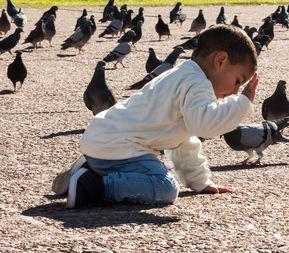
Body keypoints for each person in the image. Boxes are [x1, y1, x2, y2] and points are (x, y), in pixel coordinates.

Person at [54, 24, 259, 208]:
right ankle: (91, 185)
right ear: (220, 61)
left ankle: (89, 170)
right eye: (238, 81)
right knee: (164, 188)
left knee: (154, 174)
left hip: (103, 142)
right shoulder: (196, 84)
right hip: (120, 148)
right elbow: (205, 125)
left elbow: (183, 141)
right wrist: (242, 103)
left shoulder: (181, 75)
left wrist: (200, 181)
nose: (235, 91)